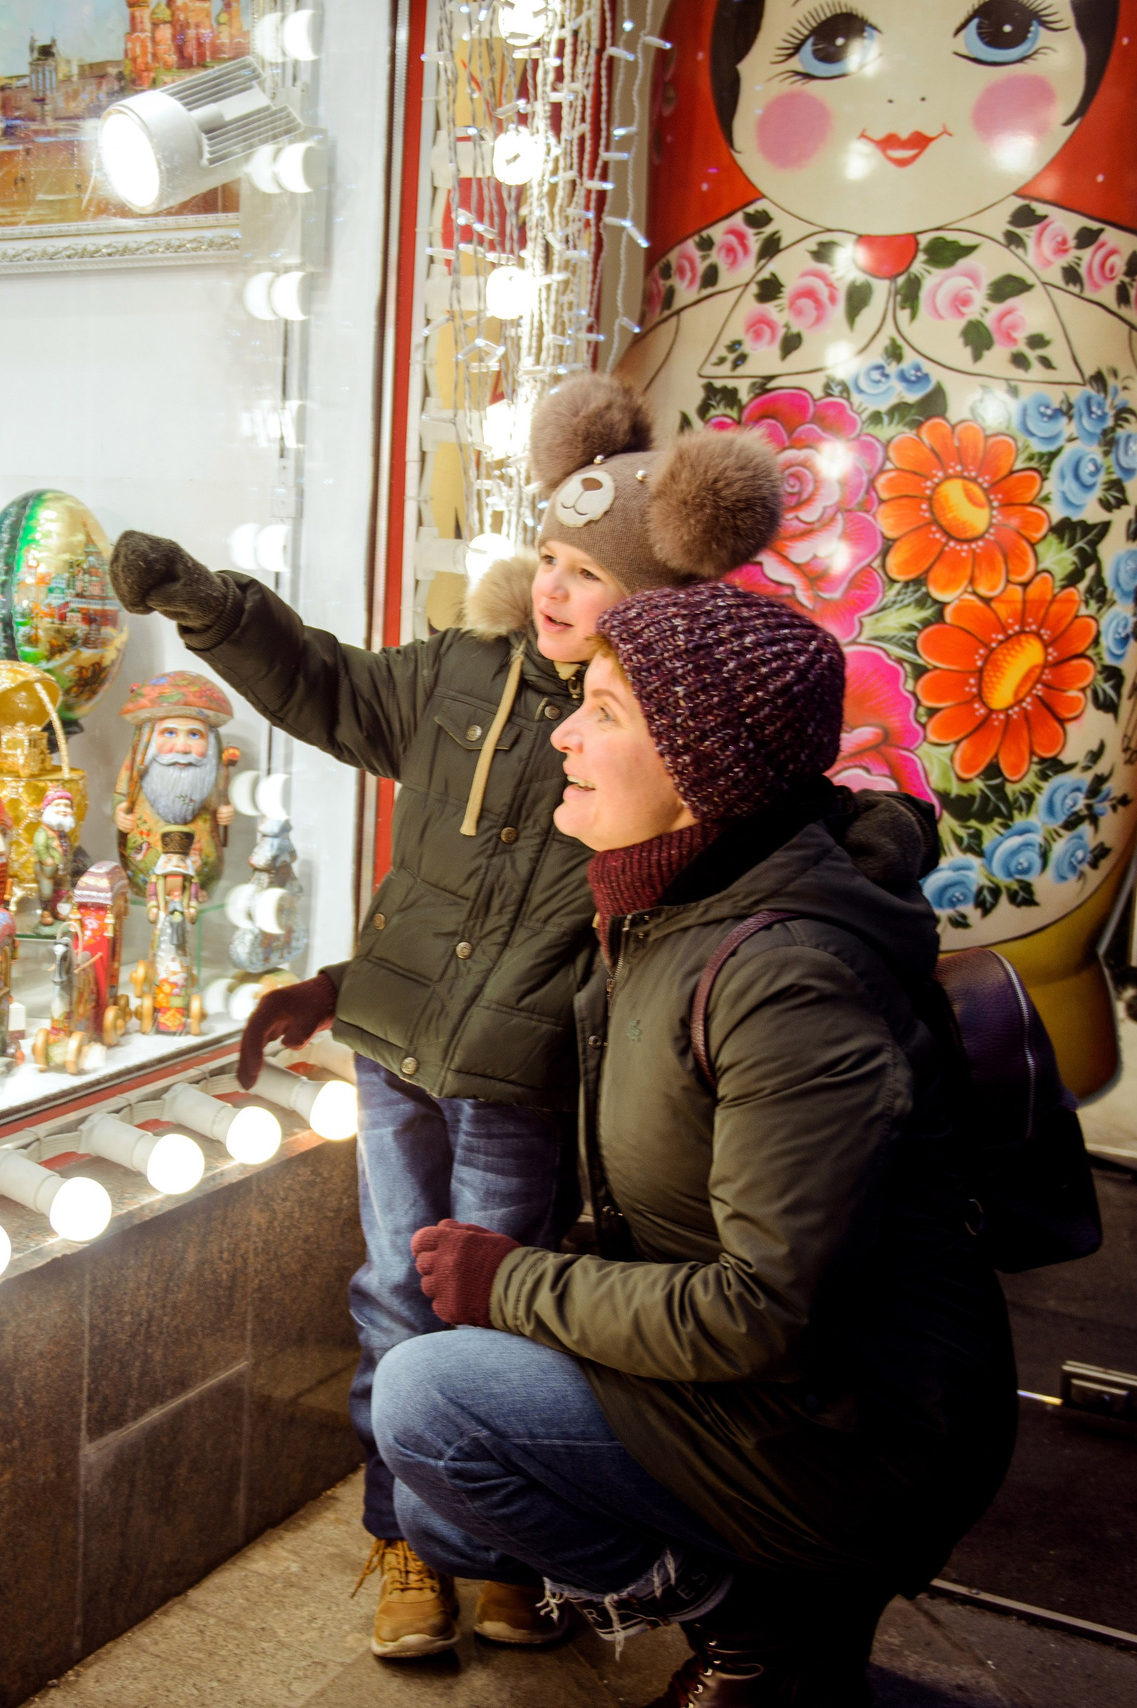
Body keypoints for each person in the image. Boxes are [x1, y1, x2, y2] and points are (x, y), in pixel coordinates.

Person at [107, 373, 784, 1656]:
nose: (554, 588)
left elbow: (766, 822)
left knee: (483, 1302)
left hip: (521, 1069)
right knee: (388, 1294)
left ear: (658, 600)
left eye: (589, 572)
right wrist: (208, 598)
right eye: (548, 556)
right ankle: (408, 1544)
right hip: (393, 1048)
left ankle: (491, 1551)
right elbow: (323, 687)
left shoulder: (646, 734)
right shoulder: (462, 674)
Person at [380, 580, 1017, 1698]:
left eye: (608, 712)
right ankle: (774, 1616)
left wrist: (515, 1283)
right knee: (442, 1382)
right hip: (789, 1391)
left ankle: (764, 1622)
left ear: (704, 765)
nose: (564, 732)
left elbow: (764, 1309)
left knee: (433, 1399)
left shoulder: (781, 978)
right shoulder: (672, 903)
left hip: (857, 1435)